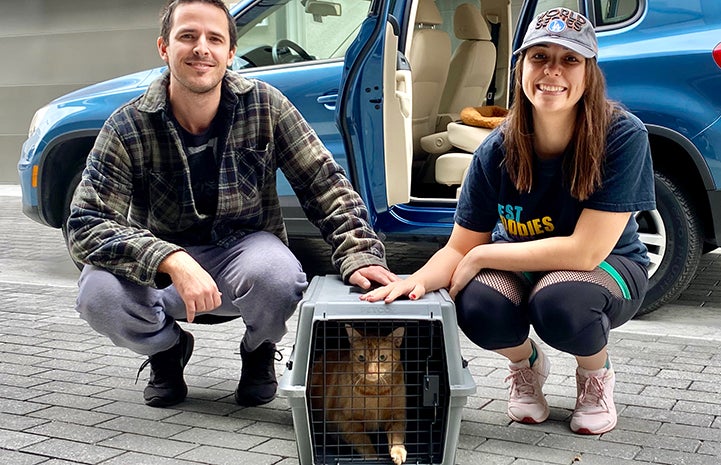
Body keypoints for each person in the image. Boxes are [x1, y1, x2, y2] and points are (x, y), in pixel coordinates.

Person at [67, 0, 397, 409]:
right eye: (187, 36)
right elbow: (86, 223)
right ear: (164, 48)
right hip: (162, 271)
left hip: (243, 250)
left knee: (279, 275)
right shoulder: (126, 125)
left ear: (230, 53)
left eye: (214, 38)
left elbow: (323, 182)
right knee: (96, 293)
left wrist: (359, 253)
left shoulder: (266, 105)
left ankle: (259, 350)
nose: (201, 48)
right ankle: (167, 350)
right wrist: (170, 259)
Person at [361, 7, 655, 435]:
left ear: (589, 73)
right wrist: (416, 281)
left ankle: (595, 375)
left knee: (561, 303)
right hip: (519, 263)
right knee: (475, 303)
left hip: (606, 265)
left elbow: (586, 251)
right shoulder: (496, 148)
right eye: (540, 57)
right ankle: (527, 365)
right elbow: (461, 247)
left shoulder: (622, 135)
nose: (552, 71)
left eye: (569, 59)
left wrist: (483, 254)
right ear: (520, 69)